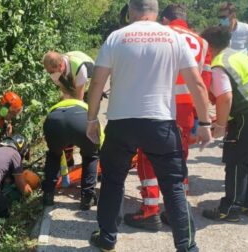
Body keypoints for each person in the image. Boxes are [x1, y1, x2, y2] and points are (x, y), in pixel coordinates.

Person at [86, 0, 212, 251]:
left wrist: (91, 120)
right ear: (155, 12)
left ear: (131, 11)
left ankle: (108, 237)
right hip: (161, 123)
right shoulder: (173, 38)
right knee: (174, 185)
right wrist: (205, 121)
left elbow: (97, 83)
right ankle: (186, 246)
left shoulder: (115, 37)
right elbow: (197, 83)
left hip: (121, 123)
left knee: (113, 180)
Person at [123, 3, 212, 231]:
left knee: (148, 155)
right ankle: (176, 212)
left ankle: (150, 209)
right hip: (186, 110)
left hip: (159, 105)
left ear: (164, 19)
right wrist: (201, 120)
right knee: (178, 159)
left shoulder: (160, 34)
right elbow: (204, 84)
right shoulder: (203, 43)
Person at [200, 26, 248, 222]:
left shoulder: (219, 64)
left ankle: (230, 209)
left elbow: (225, 98)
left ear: (209, 46)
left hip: (246, 115)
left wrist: (221, 125)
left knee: (236, 161)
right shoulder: (238, 56)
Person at [41, 98, 102, 210]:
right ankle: (87, 198)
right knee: (90, 156)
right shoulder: (86, 108)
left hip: (53, 120)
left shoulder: (58, 105)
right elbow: (100, 142)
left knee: (54, 156)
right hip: (80, 120)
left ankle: (48, 196)